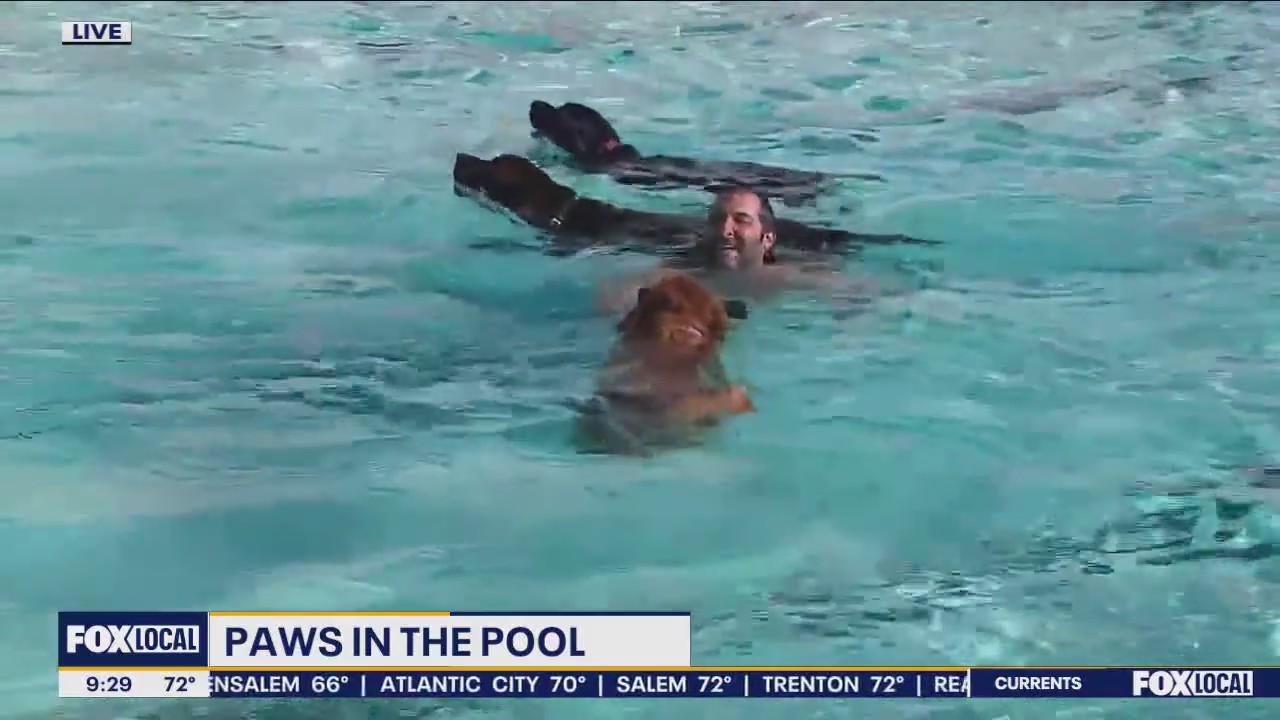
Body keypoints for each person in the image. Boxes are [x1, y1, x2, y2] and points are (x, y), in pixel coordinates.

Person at [597, 186, 878, 313]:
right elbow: (613, 297)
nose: (724, 231)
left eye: (740, 221)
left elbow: (865, 294)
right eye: (717, 221)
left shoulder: (789, 277)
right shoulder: (683, 274)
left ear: (767, 239)